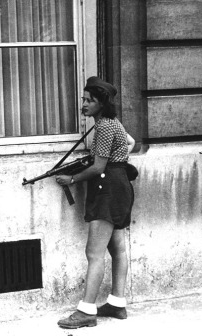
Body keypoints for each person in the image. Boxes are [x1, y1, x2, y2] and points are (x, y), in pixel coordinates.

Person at [55, 76, 135, 328]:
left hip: (107, 188)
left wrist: (72, 179)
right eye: (83, 99)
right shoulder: (113, 123)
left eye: (90, 100)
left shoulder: (103, 127)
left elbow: (98, 166)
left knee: (94, 253)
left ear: (102, 103)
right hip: (120, 184)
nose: (84, 104)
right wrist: (119, 159)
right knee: (117, 249)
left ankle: (87, 311)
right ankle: (117, 303)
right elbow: (130, 142)